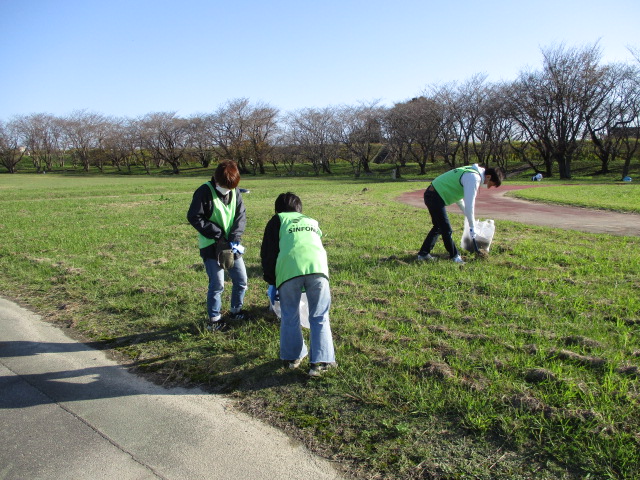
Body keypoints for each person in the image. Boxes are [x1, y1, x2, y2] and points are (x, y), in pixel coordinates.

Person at [260, 192, 336, 377]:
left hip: (289, 271)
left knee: (289, 315)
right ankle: (321, 362)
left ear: (277, 209)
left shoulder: (277, 220)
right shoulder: (311, 220)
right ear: (299, 208)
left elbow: (268, 252)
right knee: (319, 315)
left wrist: (271, 280)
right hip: (318, 269)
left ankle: (293, 357)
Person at [187, 160, 248, 331]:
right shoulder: (204, 192)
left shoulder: (234, 190)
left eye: (231, 188)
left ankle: (236, 310)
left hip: (232, 244)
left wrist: (235, 236)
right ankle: (214, 320)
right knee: (217, 284)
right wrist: (217, 234)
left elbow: (240, 215)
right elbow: (194, 217)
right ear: (216, 179)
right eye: (225, 187)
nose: (228, 191)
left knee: (241, 280)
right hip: (211, 246)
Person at [417, 164, 504, 264]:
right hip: (434, 196)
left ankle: (423, 254)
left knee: (438, 226)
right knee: (446, 229)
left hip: (432, 194)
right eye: (490, 184)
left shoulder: (471, 173)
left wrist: (470, 219)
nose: (488, 187)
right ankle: (455, 256)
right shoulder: (473, 178)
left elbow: (459, 199)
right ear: (488, 177)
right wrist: (472, 226)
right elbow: (470, 204)